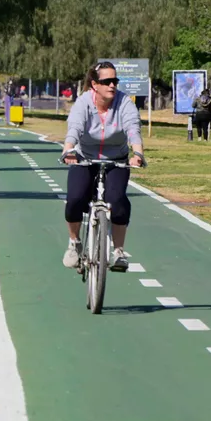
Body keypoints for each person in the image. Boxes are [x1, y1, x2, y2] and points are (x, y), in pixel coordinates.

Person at [61, 62, 145, 272]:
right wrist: (68, 150)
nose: (112, 85)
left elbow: (133, 128)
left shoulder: (124, 102)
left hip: (116, 159)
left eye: (115, 81)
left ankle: (118, 252)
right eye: (107, 81)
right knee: (75, 199)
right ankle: (74, 243)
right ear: (94, 84)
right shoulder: (84, 103)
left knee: (117, 201)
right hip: (85, 157)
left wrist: (138, 153)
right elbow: (75, 127)